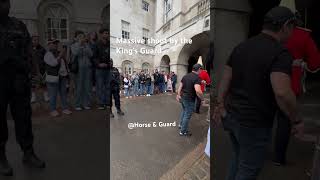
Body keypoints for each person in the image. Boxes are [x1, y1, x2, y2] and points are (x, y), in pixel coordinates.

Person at [212, 6, 304, 180]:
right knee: (248, 169)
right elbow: (283, 92)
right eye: (293, 27)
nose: (293, 32)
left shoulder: (241, 47)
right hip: (254, 123)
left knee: (237, 159)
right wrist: (297, 120)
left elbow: (226, 80)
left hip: (231, 115)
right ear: (286, 26)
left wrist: (220, 105)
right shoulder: (281, 53)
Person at [0, 0, 45, 176]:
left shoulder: (18, 25)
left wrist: (36, 71)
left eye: (6, 2)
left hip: (19, 78)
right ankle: (1, 157)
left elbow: (29, 49)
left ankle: (28, 152)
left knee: (24, 117)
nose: (4, 5)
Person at [273, 12, 320, 166]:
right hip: (290, 85)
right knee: (284, 120)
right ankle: (278, 158)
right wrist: (304, 65)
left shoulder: (269, 33)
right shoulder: (302, 35)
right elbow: (315, 62)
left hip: (267, 83)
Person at [44, 39, 72, 117]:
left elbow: (65, 64)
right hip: (53, 78)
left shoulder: (59, 53)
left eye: (56, 43)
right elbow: (54, 63)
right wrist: (60, 55)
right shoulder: (48, 54)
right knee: (53, 95)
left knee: (63, 94)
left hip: (62, 77)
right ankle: (52, 110)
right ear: (49, 45)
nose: (56, 45)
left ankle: (65, 108)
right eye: (53, 43)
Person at [176, 64, 204, 136]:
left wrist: (178, 95)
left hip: (183, 97)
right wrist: (202, 99)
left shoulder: (186, 76)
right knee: (187, 115)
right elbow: (198, 90)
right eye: (201, 69)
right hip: (189, 99)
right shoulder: (197, 78)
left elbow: (180, 86)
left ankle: (181, 125)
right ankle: (183, 131)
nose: (201, 71)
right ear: (199, 69)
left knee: (184, 111)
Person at [71, 31, 93, 111]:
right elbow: (75, 53)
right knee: (79, 87)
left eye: (82, 36)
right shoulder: (73, 45)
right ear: (76, 38)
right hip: (79, 68)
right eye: (79, 36)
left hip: (87, 68)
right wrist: (80, 45)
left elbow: (91, 54)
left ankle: (86, 103)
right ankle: (78, 104)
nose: (82, 38)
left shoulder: (87, 45)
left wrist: (85, 47)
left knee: (87, 86)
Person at [95, 28, 110, 110]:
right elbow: (94, 56)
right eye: (105, 33)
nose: (106, 34)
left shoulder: (109, 44)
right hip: (99, 68)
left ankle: (107, 102)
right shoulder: (97, 44)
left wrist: (109, 63)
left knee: (107, 86)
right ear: (101, 34)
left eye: (107, 33)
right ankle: (101, 103)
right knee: (100, 86)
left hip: (107, 68)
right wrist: (99, 64)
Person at [30, 35, 47, 103]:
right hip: (33, 70)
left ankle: (46, 95)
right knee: (33, 85)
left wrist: (45, 68)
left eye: (37, 40)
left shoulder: (42, 49)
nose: (36, 41)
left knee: (44, 83)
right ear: (31, 40)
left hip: (42, 69)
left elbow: (45, 59)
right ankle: (33, 97)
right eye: (34, 40)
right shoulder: (29, 49)